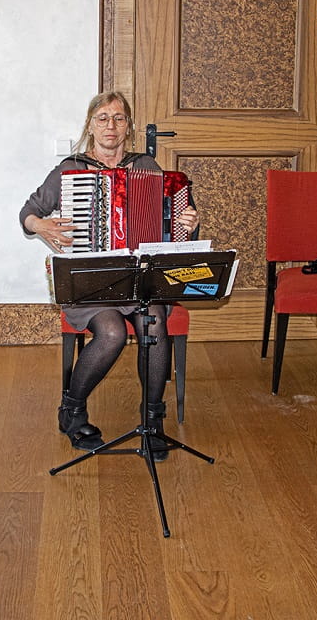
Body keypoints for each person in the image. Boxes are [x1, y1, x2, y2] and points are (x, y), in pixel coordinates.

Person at [19, 91, 199, 461]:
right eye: (102, 118)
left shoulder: (147, 167)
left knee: (153, 322)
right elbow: (28, 211)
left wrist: (188, 223)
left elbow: (175, 227)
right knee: (113, 331)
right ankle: (72, 409)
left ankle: (152, 422)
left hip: (141, 276)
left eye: (118, 118)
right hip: (93, 279)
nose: (110, 126)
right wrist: (42, 226)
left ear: (129, 127)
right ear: (90, 125)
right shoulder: (71, 170)